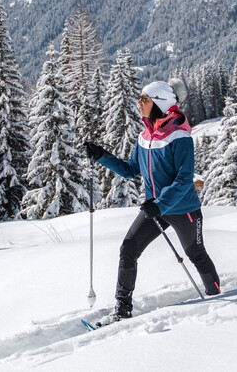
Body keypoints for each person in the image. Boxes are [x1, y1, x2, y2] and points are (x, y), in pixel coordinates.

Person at [85, 80, 220, 324]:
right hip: (155, 207)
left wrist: (160, 204)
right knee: (128, 250)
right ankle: (122, 311)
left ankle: (217, 297)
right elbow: (130, 170)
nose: (139, 102)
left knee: (196, 254)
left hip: (182, 209)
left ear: (159, 103)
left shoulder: (179, 136)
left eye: (144, 99)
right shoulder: (145, 136)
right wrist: (102, 156)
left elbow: (183, 178)